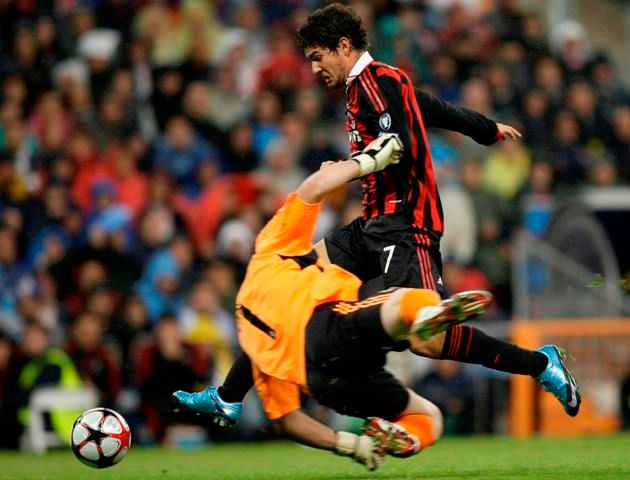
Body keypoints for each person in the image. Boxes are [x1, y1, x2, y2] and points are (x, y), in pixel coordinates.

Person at [173, 3, 579, 427]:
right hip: (373, 224)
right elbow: (433, 108)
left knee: (429, 341)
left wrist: (347, 170)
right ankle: (228, 395)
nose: (313, 70)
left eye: (317, 57)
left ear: (343, 46)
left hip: (407, 226)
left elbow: (396, 144)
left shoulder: (377, 81)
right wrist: (486, 129)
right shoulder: (374, 85)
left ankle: (539, 363)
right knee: (284, 283)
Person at [174, 136, 578, 470]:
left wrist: (348, 445)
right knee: (407, 316)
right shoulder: (274, 248)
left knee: (427, 413)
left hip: (322, 383)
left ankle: (410, 414)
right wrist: (367, 160)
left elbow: (288, 422)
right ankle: (431, 318)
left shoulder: (258, 330)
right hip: (327, 330)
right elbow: (313, 188)